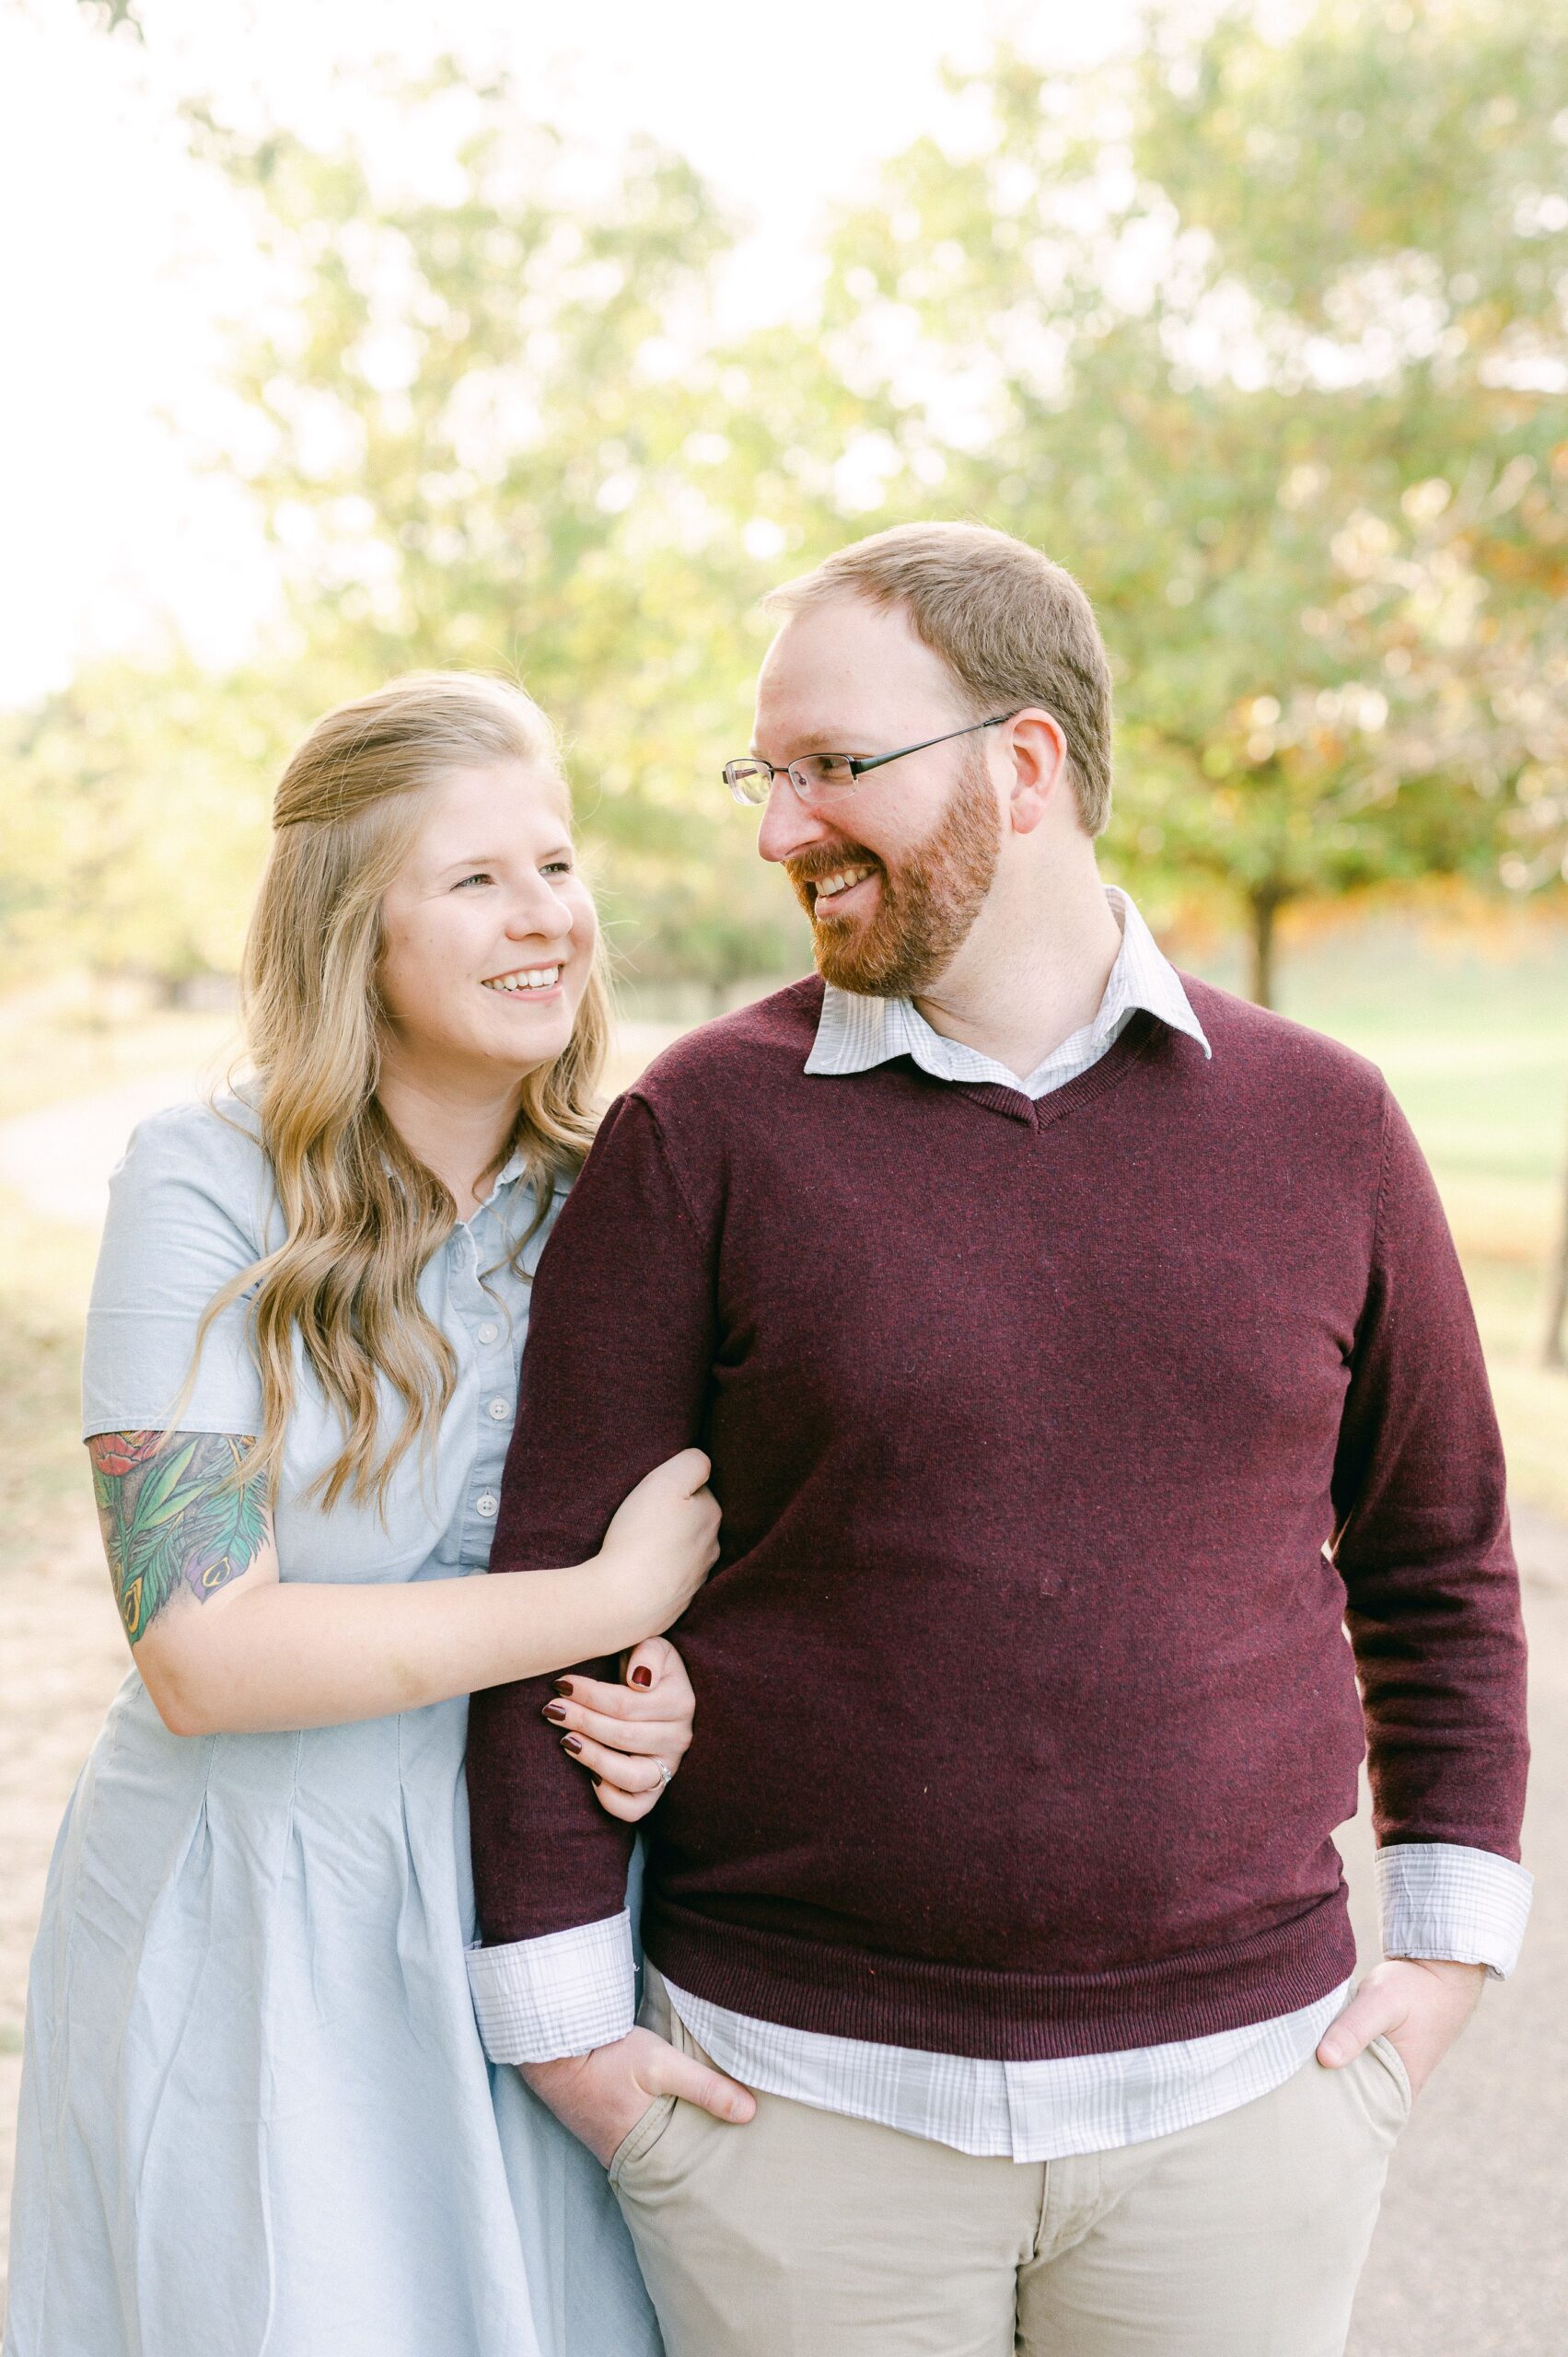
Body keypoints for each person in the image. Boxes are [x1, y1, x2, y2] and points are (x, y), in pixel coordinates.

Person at [464, 525, 1533, 2357]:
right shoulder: (702, 1128)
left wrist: (1441, 1959)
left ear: (1024, 766)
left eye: (830, 766)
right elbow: (553, 1591)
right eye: (767, 771)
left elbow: (1443, 1566)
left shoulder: (1328, 1125)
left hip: (1240, 2122)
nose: (778, 826)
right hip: (793, 2123)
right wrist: (571, 2039)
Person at [5, 673, 717, 2357]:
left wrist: (674, 1682)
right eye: (475, 881)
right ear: (353, 930)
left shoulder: (631, 1190)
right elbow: (202, 1654)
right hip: (250, 1904)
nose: (546, 918)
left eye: (557, 865)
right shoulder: (201, 1181)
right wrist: (597, 1599)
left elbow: (720, 1569)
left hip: (536, 1902)